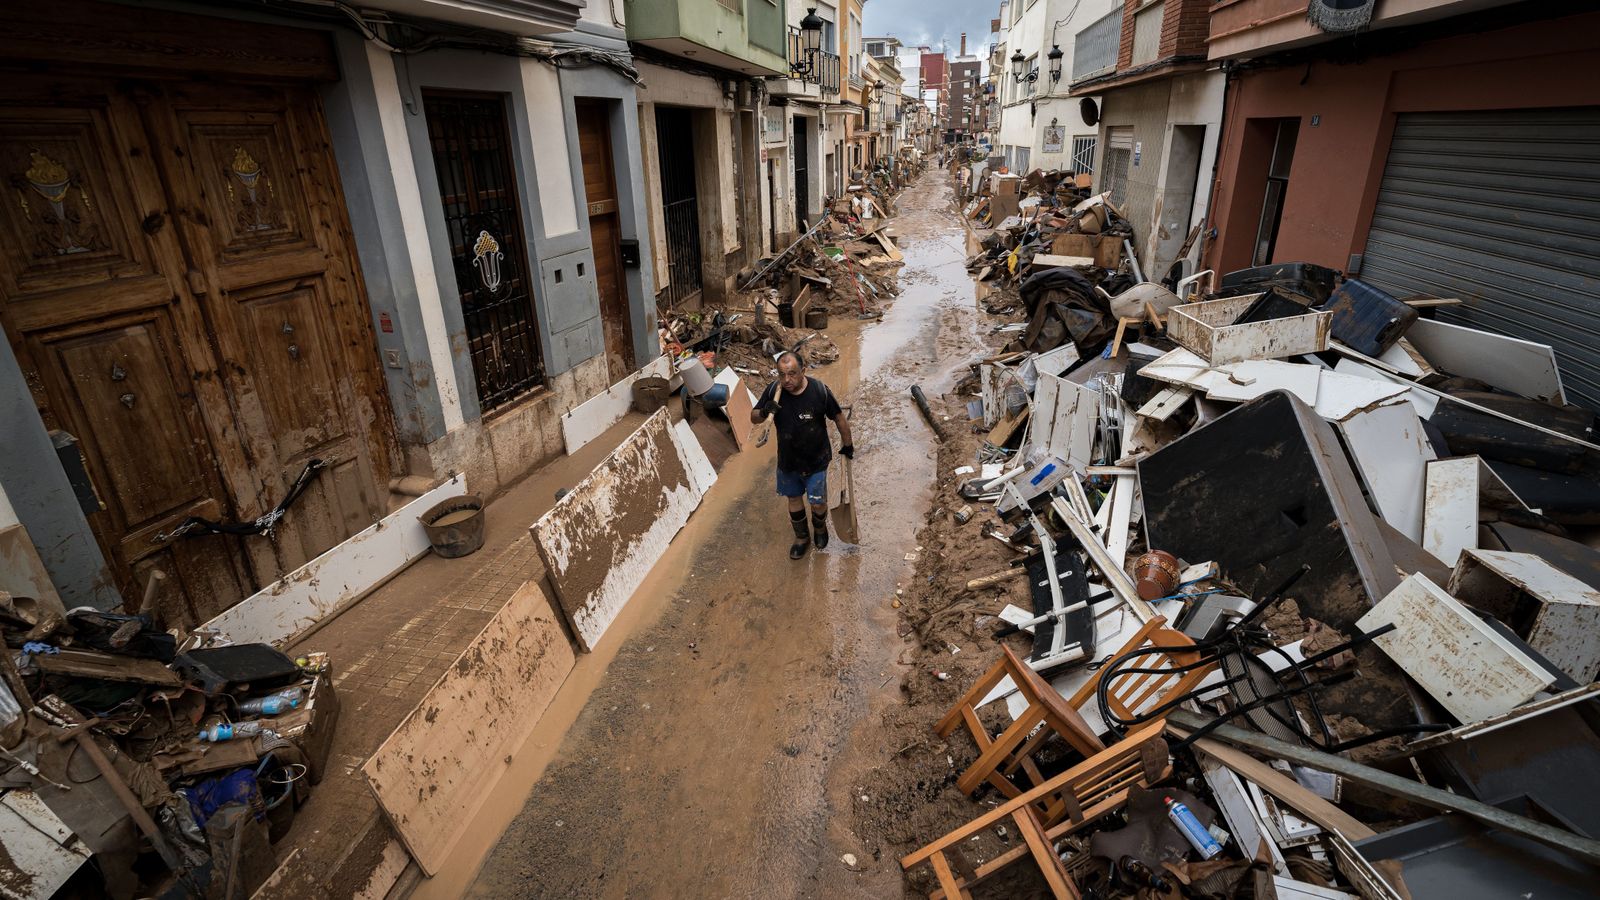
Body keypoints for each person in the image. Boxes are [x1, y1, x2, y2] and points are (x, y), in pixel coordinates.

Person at [751, 352, 854, 559]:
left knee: (817, 502)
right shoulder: (774, 390)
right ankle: (802, 537)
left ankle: (820, 529)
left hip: (816, 460)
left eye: (792, 374)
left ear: (803, 371)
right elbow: (754, 418)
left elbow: (839, 418)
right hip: (788, 461)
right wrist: (764, 412)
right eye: (782, 374)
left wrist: (848, 445)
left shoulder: (819, 391)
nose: (787, 380)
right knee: (794, 499)